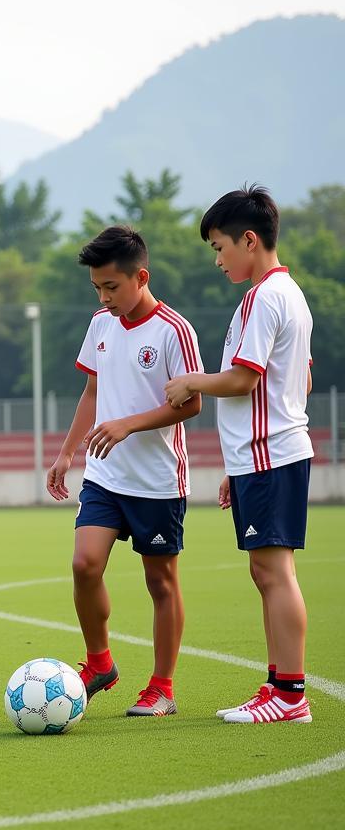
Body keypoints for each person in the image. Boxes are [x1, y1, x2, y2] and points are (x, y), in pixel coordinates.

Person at [165, 186, 313, 724]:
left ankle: (291, 696)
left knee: (275, 573)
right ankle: (278, 686)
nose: (218, 258)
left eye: (219, 246)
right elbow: (301, 378)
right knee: (265, 572)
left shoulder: (265, 297)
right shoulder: (287, 293)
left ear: (249, 240)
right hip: (262, 457)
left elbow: (243, 379)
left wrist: (188, 382)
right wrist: (237, 467)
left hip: (271, 454)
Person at [47, 226, 203, 717]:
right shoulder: (101, 324)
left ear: (141, 276)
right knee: (83, 564)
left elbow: (191, 403)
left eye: (111, 286)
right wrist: (67, 453)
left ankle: (162, 687)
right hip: (104, 475)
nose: (104, 296)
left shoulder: (174, 331)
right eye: (97, 287)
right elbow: (92, 392)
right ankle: (100, 664)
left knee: (160, 583)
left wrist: (128, 425)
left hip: (156, 480)